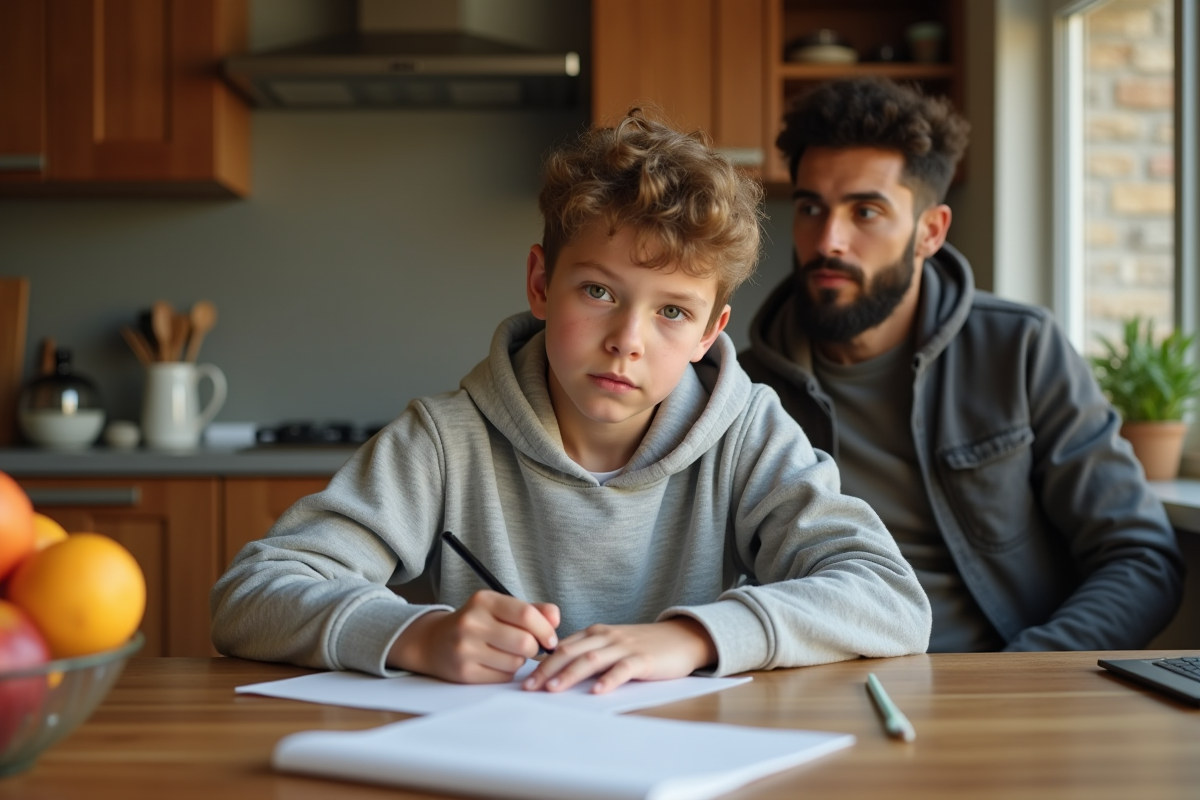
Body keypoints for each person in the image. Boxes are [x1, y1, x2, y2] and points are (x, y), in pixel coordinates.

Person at [210, 111, 931, 692]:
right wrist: (415, 634)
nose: (627, 341)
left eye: (672, 313)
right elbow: (250, 595)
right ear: (539, 284)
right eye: (598, 291)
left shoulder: (746, 435)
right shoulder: (442, 440)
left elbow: (890, 597)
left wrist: (693, 637)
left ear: (712, 332)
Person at [740, 77, 1184, 652]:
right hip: (815, 690)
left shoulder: (1020, 349)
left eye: (866, 211)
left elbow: (1141, 557)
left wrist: (1026, 674)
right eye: (810, 208)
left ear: (930, 232)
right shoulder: (742, 387)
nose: (829, 240)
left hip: (1005, 689)